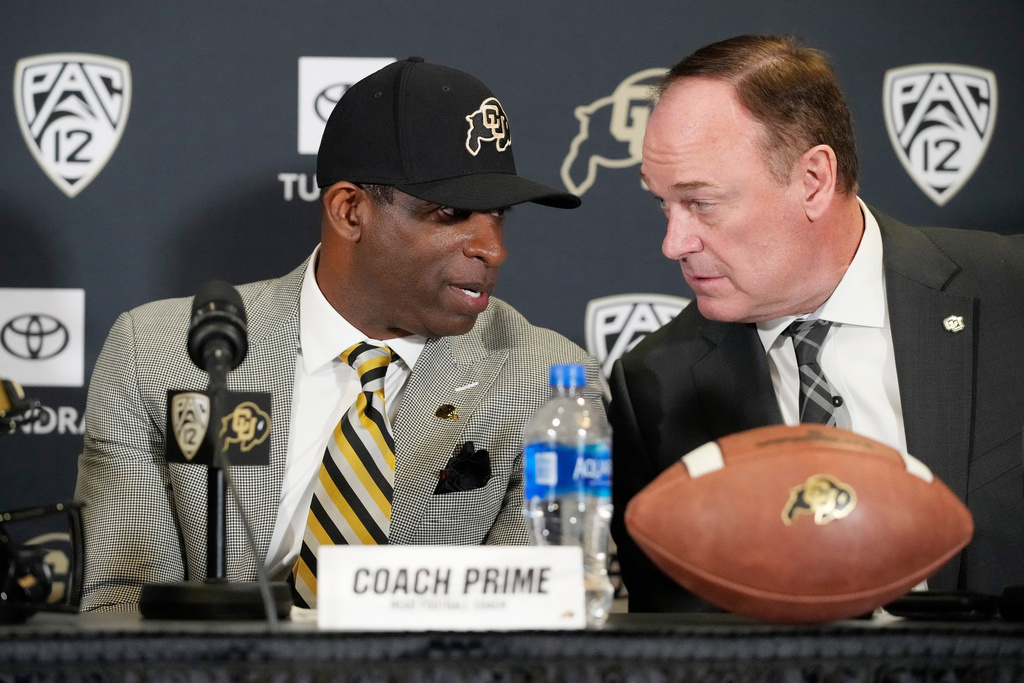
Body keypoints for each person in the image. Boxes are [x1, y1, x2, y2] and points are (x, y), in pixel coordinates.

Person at [75, 57, 602, 611]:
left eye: (499, 216)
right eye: (452, 213)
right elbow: (117, 605)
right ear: (350, 211)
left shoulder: (545, 382)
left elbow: (549, 617)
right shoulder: (160, 354)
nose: (493, 249)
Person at [609, 34, 1024, 612]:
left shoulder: (1009, 293)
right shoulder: (654, 385)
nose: (673, 243)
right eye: (663, 204)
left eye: (700, 203)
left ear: (813, 180)